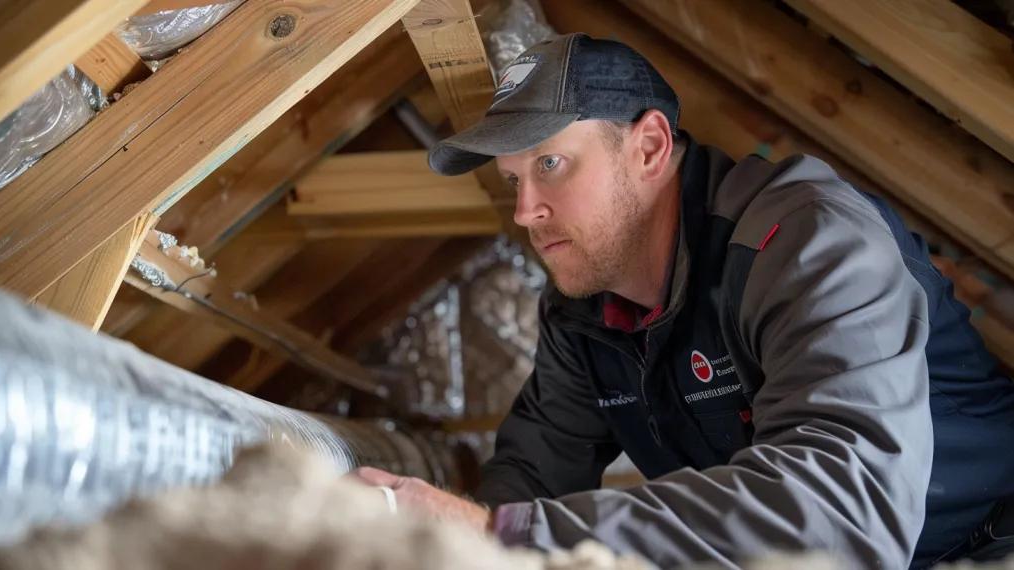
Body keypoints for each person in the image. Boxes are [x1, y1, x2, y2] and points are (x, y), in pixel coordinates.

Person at [353, 33, 1014, 568]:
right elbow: (532, 471)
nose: (525, 211)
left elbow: (840, 515)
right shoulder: (585, 314)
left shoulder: (806, 242)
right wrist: (452, 543)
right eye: (511, 181)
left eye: (549, 164)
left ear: (648, 147)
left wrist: (503, 535)